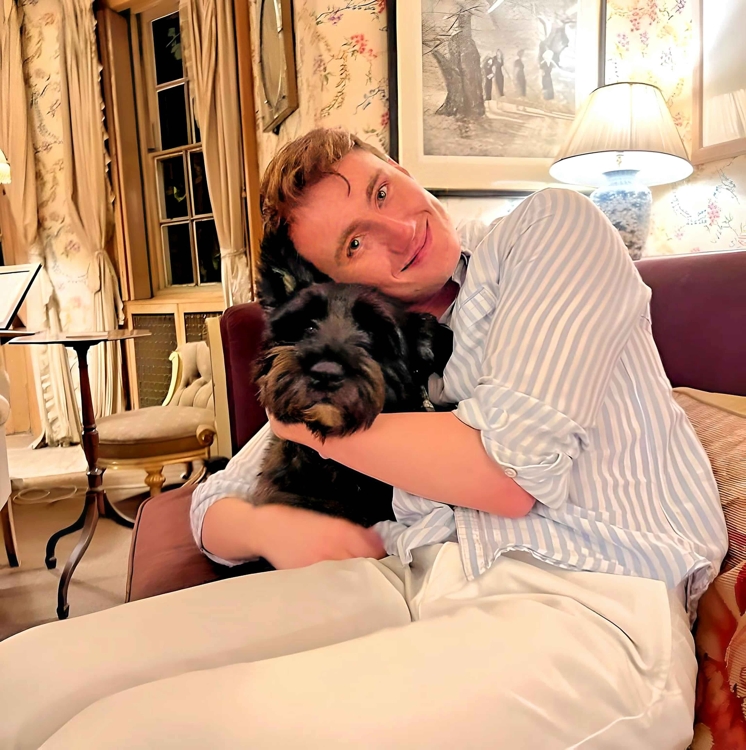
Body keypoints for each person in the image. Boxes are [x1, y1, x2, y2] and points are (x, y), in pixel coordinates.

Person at [0, 128, 728, 749]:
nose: (398, 232)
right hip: (408, 575)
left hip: (591, 603)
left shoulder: (549, 229)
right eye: (353, 243)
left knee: (132, 735)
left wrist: (304, 423)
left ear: (401, 170)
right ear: (337, 283)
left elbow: (510, 474)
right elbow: (213, 504)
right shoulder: (376, 337)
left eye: (381, 192)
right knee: (27, 676)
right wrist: (266, 526)